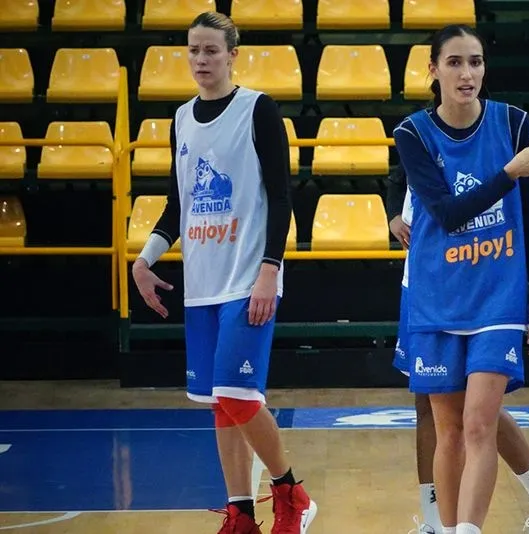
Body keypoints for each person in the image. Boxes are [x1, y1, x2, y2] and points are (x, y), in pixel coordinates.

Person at [130, 12, 317, 534]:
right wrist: (145, 260)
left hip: (248, 279)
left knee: (238, 396)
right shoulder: (181, 118)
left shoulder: (258, 109)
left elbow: (281, 200)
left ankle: (291, 492)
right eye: (193, 50)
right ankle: (240, 513)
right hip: (202, 284)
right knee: (219, 403)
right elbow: (178, 206)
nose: (201, 60)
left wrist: (269, 270)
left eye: (211, 50)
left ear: (233, 54)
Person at [393, 23, 529, 534]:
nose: (467, 73)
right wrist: (508, 173)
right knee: (446, 430)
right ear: (433, 69)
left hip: (498, 298)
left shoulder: (513, 123)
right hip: (437, 297)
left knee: (478, 424)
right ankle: (449, 527)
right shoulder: (412, 133)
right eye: (455, 62)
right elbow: (446, 213)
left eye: (476, 62)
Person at [389, 187, 529, 534]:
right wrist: (394, 214)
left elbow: (526, 211)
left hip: (476, 279)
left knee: (475, 412)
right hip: (421, 282)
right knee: (434, 406)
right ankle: (435, 522)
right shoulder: (415, 134)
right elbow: (401, 175)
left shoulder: (497, 140)